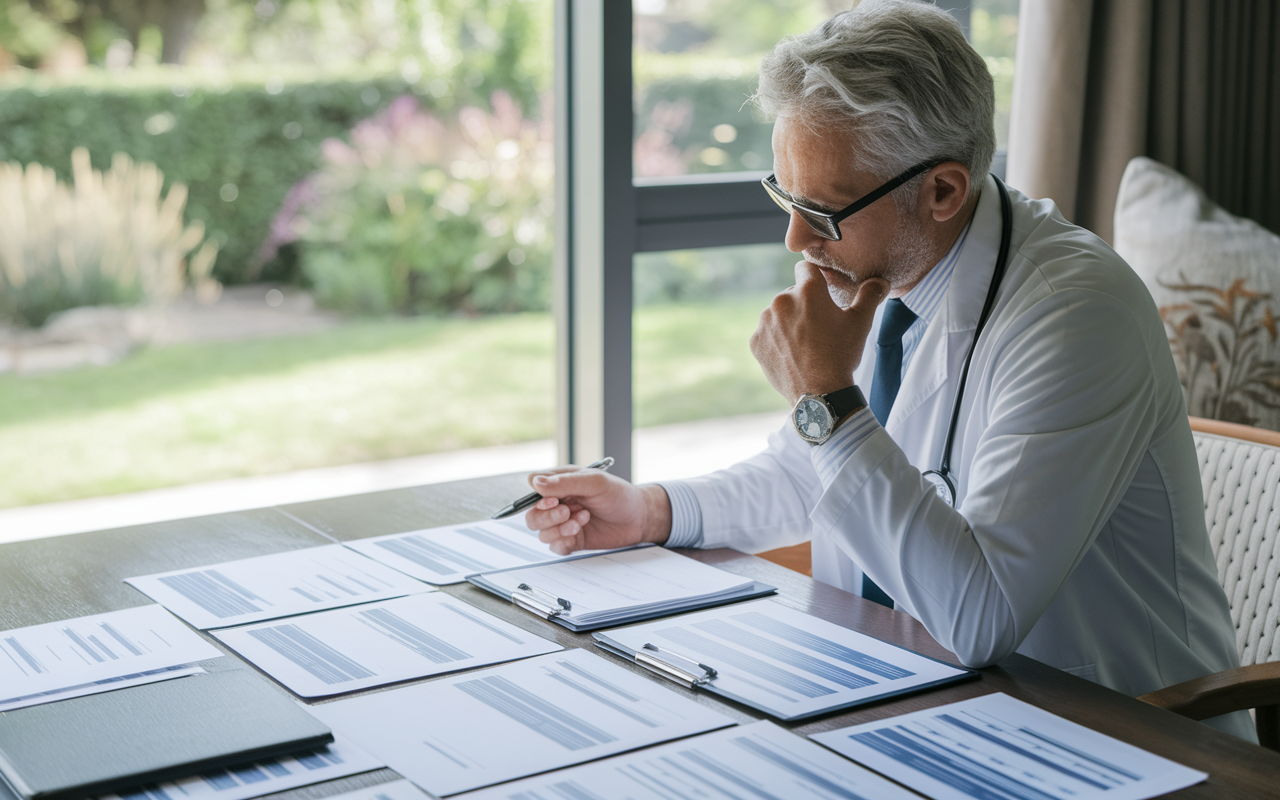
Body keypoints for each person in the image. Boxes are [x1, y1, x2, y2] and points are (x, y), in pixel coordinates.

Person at [525, 0, 1253, 740]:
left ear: (941, 191)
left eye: (824, 211)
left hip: (1120, 735)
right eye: (784, 195)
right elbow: (808, 471)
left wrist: (825, 396)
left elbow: (980, 617)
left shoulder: (1074, 314)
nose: (794, 237)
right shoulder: (890, 276)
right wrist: (650, 511)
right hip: (916, 697)